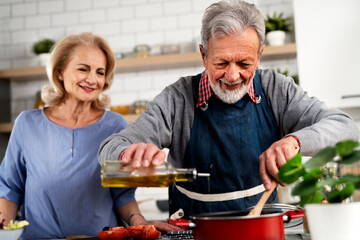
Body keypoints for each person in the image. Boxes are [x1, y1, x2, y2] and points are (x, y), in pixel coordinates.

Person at [98, 0, 360, 219]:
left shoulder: (276, 89)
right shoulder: (177, 98)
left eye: (244, 62)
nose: (233, 75)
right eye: (221, 62)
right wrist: (128, 153)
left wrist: (295, 141)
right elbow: (109, 149)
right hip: (192, 228)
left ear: (260, 55)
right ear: (203, 55)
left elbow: (346, 127)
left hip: (261, 224)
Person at [0, 32, 178, 239]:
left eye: (100, 72)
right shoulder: (27, 124)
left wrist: (140, 223)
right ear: (59, 72)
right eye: (83, 69)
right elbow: (10, 186)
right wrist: (4, 226)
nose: (92, 79)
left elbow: (122, 194)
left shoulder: (115, 125)